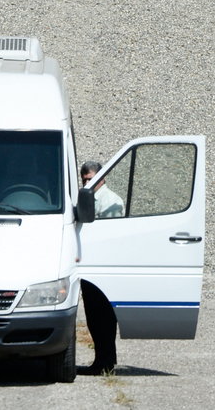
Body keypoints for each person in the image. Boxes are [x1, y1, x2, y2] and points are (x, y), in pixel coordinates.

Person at [79, 160, 123, 375]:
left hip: (104, 266)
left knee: (103, 317)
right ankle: (104, 358)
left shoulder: (111, 201)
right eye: (85, 179)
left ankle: (104, 361)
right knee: (93, 317)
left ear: (102, 177)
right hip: (89, 265)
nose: (88, 183)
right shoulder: (85, 198)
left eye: (92, 179)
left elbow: (111, 234)